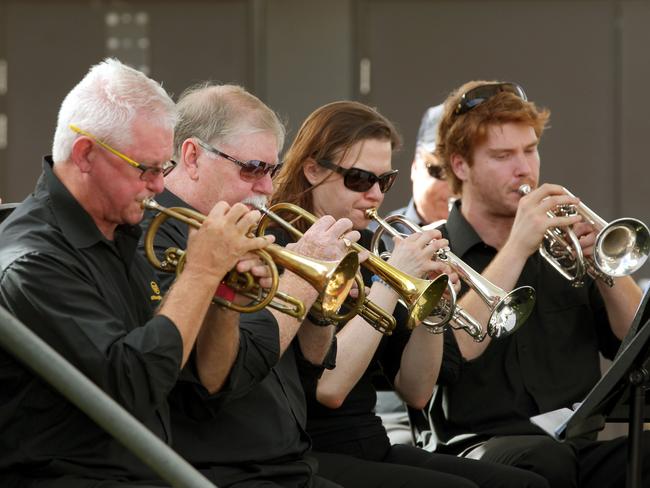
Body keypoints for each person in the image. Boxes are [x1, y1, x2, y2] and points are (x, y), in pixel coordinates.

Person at [0, 59, 270, 487]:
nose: (160, 186)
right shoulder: (32, 260)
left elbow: (204, 389)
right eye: (144, 168)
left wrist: (226, 292)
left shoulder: (123, 231)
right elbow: (133, 385)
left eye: (162, 169)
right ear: (86, 154)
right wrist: (201, 271)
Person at [271, 100, 549, 488]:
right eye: (358, 178)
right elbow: (330, 389)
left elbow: (417, 391)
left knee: (525, 485)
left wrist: (435, 307)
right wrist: (390, 282)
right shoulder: (285, 244)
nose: (373, 194)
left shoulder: (369, 245)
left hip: (370, 442)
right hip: (312, 451)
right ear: (313, 170)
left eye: (383, 181)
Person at [429, 80, 650, 487]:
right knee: (543, 462)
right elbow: (451, 353)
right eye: (502, 155)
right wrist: (517, 247)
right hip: (475, 449)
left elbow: (632, 341)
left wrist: (604, 269)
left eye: (530, 150)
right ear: (460, 165)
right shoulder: (433, 250)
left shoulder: (561, 246)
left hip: (576, 443)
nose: (524, 168)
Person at [140, 83, 360, 488]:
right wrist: (302, 276)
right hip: (224, 471)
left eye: (272, 171)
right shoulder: (157, 237)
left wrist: (323, 296)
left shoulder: (247, 230)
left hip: (290, 463)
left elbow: (310, 367)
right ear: (191, 156)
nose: (268, 188)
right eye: (252, 169)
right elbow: (237, 369)